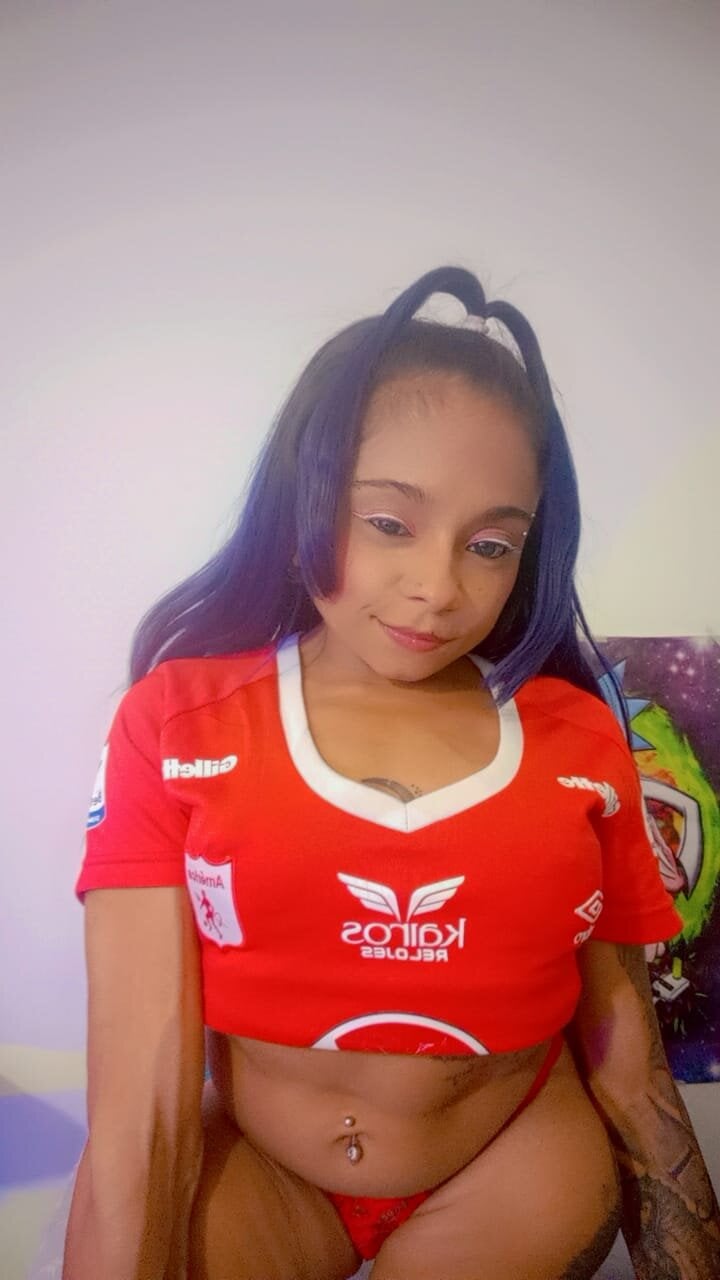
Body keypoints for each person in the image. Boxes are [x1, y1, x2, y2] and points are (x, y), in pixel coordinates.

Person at [64, 266, 720, 1280]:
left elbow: (627, 1059)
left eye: (491, 544)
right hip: (264, 1174)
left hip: (511, 1171)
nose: (438, 586)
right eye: (389, 523)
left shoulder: (581, 741)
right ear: (306, 501)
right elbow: (139, 1110)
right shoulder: (174, 722)